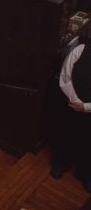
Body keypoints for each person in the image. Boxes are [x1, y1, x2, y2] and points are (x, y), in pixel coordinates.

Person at [50, 38, 91, 192]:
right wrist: (76, 102)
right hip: (70, 105)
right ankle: (59, 163)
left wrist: (85, 107)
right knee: (63, 135)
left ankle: (85, 172)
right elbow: (65, 76)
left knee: (88, 144)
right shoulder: (80, 49)